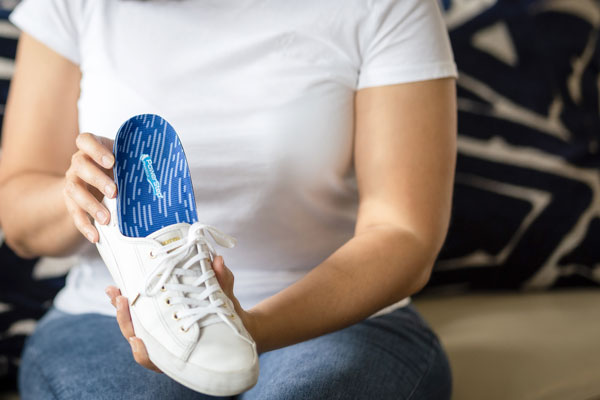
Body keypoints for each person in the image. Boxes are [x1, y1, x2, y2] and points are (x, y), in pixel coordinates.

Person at [0, 0, 458, 399]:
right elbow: (18, 219)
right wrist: (83, 198)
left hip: (335, 319)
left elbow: (403, 233)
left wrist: (252, 328)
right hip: (111, 319)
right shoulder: (74, 4)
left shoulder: (389, 5)